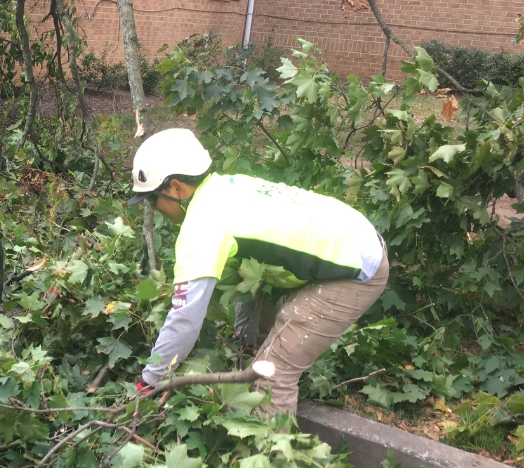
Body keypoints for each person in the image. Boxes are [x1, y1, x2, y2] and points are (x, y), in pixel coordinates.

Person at [128, 128, 388, 417]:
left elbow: (184, 318)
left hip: (356, 268)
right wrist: (244, 342)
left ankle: (271, 454)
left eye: (152, 199)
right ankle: (255, 353)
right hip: (352, 236)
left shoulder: (202, 225)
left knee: (272, 375)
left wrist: (150, 381)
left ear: (175, 188)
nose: (153, 207)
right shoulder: (226, 186)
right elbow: (248, 275)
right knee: (261, 353)